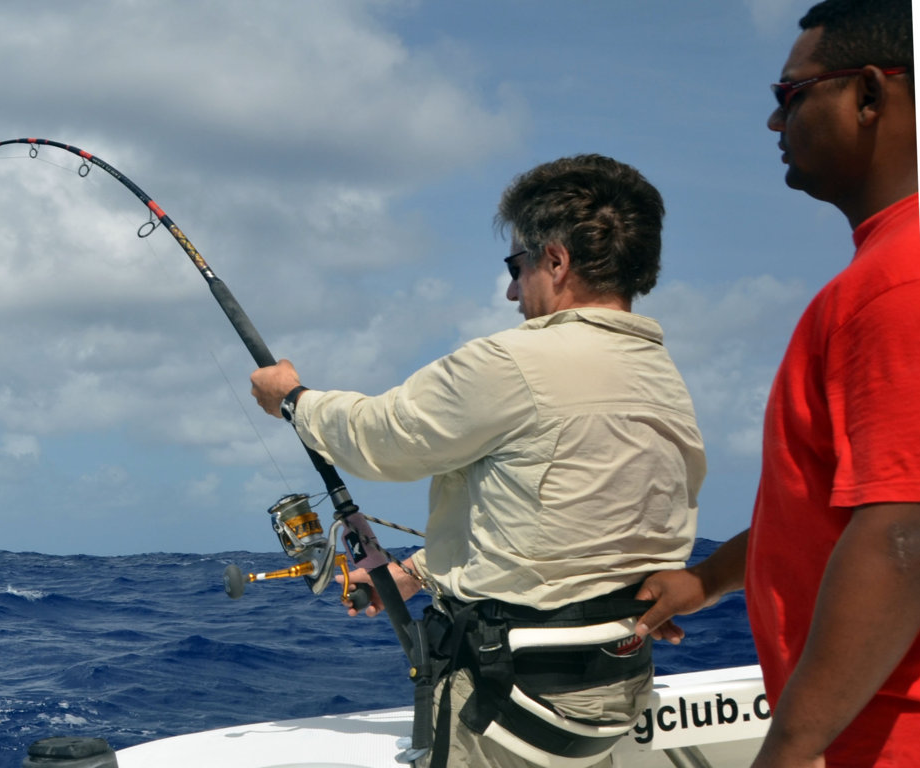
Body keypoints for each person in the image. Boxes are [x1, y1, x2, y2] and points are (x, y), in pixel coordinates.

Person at [251, 154, 706, 768]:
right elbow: (559, 524)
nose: (513, 290)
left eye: (517, 267)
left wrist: (292, 400)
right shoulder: (660, 374)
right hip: (613, 686)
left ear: (556, 260)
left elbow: (383, 438)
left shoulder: (514, 362)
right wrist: (417, 571)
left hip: (509, 694)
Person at [633, 1, 920, 765]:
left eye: (788, 97)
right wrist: (705, 581)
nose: (772, 125)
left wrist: (788, 748)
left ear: (867, 94)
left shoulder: (897, 280)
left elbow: (902, 530)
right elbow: (844, 502)